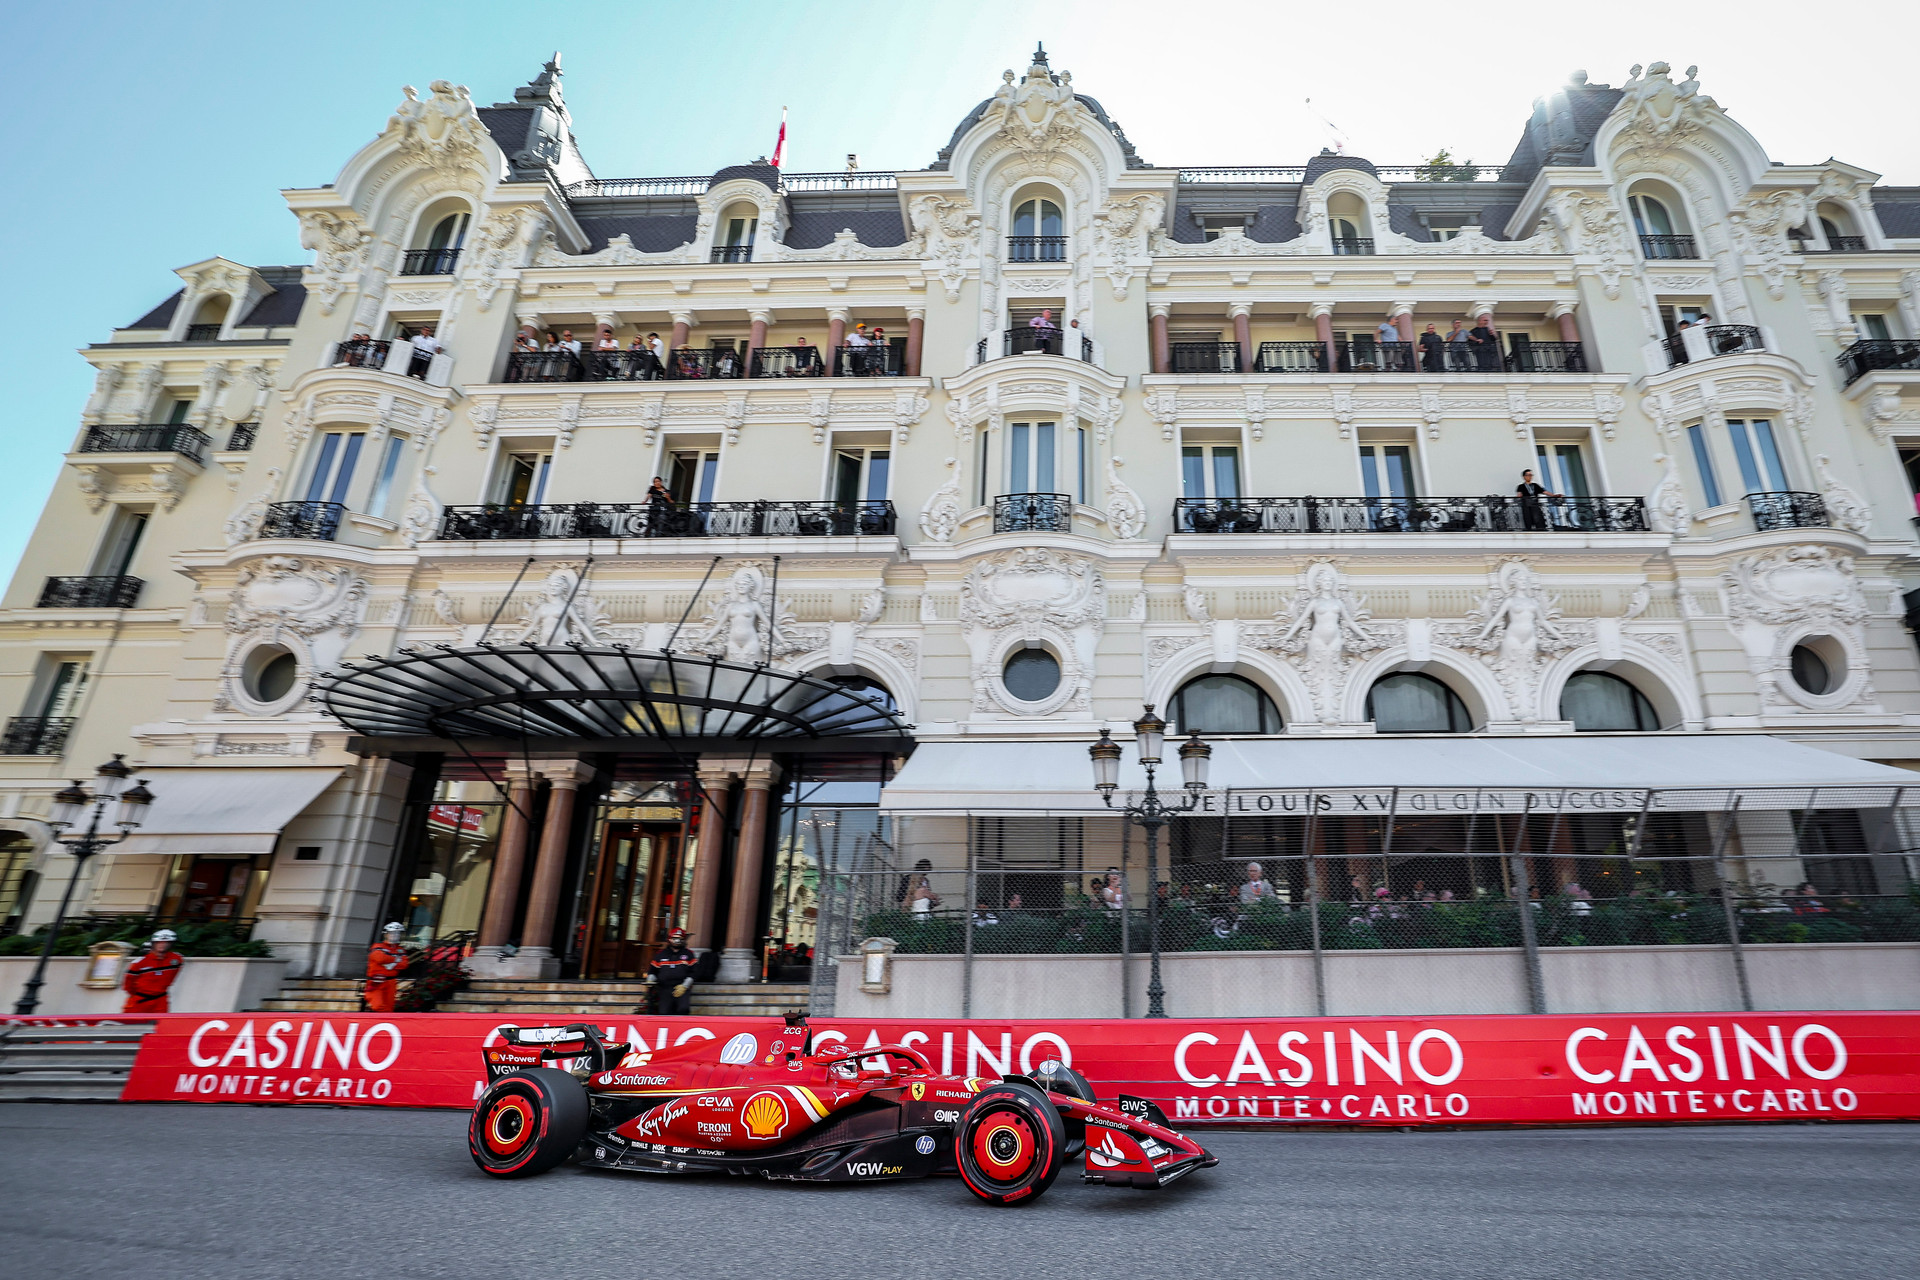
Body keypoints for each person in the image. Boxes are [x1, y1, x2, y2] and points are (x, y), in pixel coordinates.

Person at [122, 929, 183, 1014]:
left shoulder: (176, 959)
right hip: (140, 1000)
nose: (163, 945)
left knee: (160, 1024)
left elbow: (172, 976)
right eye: (159, 942)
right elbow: (128, 983)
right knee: (131, 1023)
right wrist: (139, 994)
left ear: (171, 944)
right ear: (153, 943)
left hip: (161, 999)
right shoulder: (139, 962)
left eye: (167, 942)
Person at [644, 927, 697, 1015]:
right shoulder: (660, 954)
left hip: (682, 988)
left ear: (683, 940)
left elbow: (694, 972)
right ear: (669, 939)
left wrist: (685, 986)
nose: (677, 941)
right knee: (664, 1012)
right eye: (674, 938)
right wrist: (650, 980)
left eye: (680, 939)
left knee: (683, 1009)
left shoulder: (689, 954)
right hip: (664, 988)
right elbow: (653, 971)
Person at [364, 922, 407, 1013]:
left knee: (389, 1008)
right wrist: (396, 960)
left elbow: (404, 964)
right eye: (392, 933)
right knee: (378, 1005)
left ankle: (384, 1023)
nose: (395, 936)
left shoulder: (400, 950)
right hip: (377, 981)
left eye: (397, 933)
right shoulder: (378, 947)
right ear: (386, 934)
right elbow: (380, 959)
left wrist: (390, 962)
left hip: (391, 982)